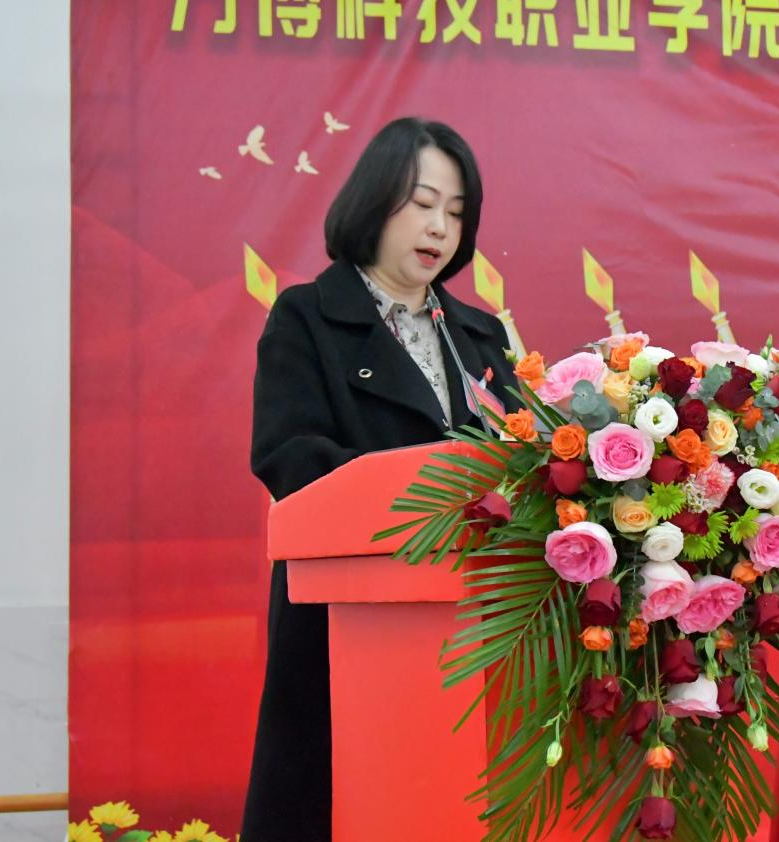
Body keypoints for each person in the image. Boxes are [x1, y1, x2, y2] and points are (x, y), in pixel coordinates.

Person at [241, 117, 521, 841]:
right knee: (344, 799)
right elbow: (289, 457)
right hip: (351, 617)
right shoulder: (307, 317)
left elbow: (521, 457)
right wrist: (426, 493)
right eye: (421, 204)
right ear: (374, 201)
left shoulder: (481, 335)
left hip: (476, 619)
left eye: (455, 212)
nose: (439, 228)